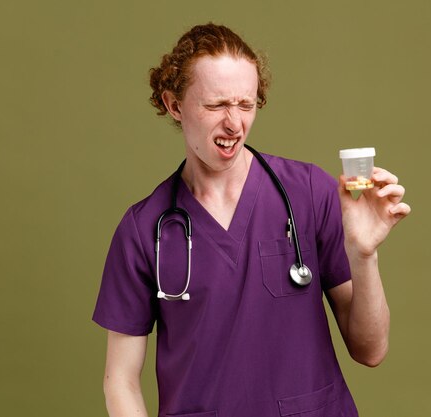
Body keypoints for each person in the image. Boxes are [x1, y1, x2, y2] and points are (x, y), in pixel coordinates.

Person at [92, 23, 410, 417]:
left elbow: (371, 350)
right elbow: (120, 381)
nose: (234, 124)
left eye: (246, 105)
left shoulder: (310, 192)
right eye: (216, 105)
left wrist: (364, 256)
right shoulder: (144, 230)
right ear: (174, 104)